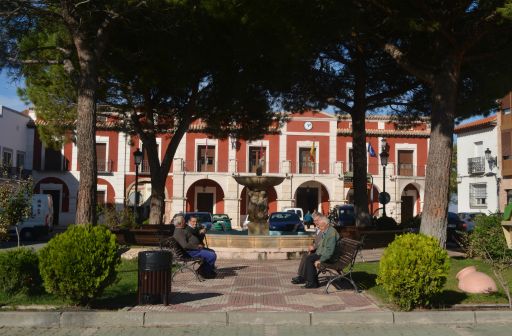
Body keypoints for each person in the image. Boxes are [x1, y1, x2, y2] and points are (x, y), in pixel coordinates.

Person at [173, 214, 217, 279]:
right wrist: (197, 247)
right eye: (183, 221)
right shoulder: (179, 232)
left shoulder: (181, 229)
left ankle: (206, 271)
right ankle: (203, 272)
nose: (185, 222)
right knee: (212, 255)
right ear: (180, 223)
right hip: (190, 252)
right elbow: (185, 246)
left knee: (211, 253)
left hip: (193, 250)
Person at [302, 215, 341, 288]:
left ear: (326, 225)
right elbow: (321, 246)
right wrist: (315, 253)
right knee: (309, 257)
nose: (319, 228)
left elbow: (330, 251)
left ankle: (312, 283)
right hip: (325, 254)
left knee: (309, 259)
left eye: (321, 226)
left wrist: (320, 260)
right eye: (319, 226)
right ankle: (312, 282)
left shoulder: (331, 233)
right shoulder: (327, 231)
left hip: (332, 258)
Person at [291, 211, 322, 284]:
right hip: (318, 250)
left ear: (321, 220)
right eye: (314, 220)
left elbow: (322, 242)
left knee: (308, 257)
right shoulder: (318, 229)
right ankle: (301, 276)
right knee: (305, 255)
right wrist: (312, 247)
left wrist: (314, 247)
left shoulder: (323, 229)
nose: (315, 222)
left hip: (321, 252)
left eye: (316, 220)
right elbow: (316, 241)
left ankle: (305, 278)